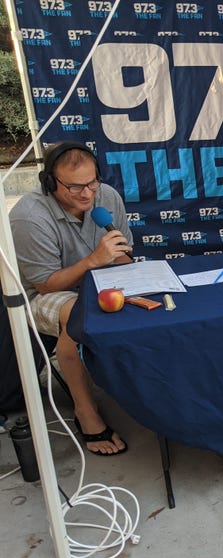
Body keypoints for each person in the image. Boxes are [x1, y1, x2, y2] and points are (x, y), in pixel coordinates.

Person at [9, 141, 133, 455]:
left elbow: (121, 256)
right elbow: (46, 284)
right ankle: (85, 411)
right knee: (78, 314)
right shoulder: (28, 216)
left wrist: (129, 270)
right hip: (45, 293)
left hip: (99, 280)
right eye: (75, 187)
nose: (87, 194)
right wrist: (94, 260)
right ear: (50, 182)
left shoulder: (108, 198)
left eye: (92, 183)